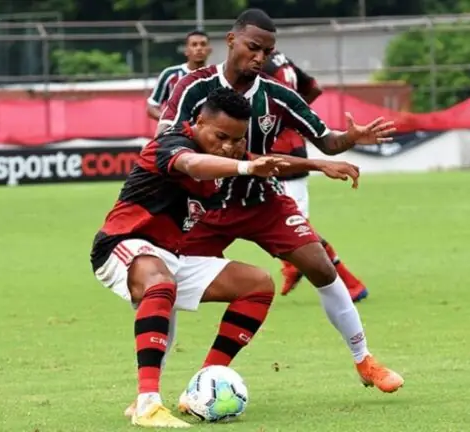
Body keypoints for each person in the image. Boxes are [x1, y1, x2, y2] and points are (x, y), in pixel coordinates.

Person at [157, 9, 404, 407]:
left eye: (268, 52)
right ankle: (150, 391)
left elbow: (327, 141)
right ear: (231, 40)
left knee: (321, 267)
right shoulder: (193, 87)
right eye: (253, 47)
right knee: (162, 283)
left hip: (263, 201)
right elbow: (166, 141)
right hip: (202, 205)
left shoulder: (278, 95)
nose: (260, 57)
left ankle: (364, 360)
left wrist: (351, 138)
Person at [92, 88, 360, 428]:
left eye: (236, 140)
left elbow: (268, 161)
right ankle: (146, 404)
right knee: (160, 283)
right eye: (221, 137)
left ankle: (200, 385)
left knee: (257, 285)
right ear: (199, 121)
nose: (228, 146)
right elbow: (193, 165)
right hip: (123, 244)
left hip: (170, 255)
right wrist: (245, 166)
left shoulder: (227, 153)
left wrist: (319, 164)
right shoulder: (172, 145)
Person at [263, 50, 369, 302]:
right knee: (282, 222)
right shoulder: (281, 59)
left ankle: (349, 284)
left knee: (297, 228)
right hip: (288, 149)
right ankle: (293, 265)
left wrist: (286, 118)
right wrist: (295, 116)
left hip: (280, 154)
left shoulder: (258, 65)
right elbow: (313, 89)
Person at [146, 30, 212, 120]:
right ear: (186, 51)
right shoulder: (170, 74)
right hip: (177, 128)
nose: (199, 48)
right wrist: (170, 121)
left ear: (209, 50)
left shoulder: (216, 75)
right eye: (194, 45)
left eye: (203, 44)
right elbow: (152, 107)